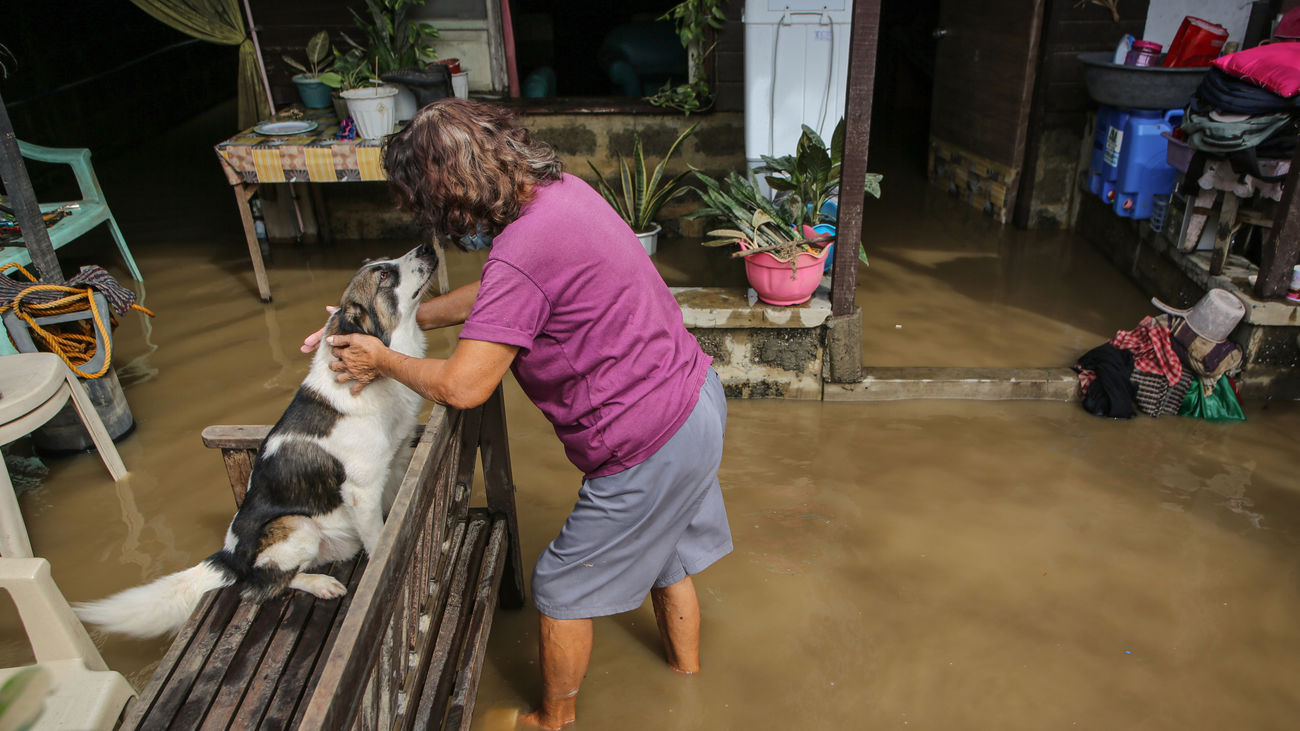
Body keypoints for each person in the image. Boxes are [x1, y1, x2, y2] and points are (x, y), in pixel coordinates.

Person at [301, 98, 731, 730]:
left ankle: (551, 722)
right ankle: (686, 684)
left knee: (560, 587)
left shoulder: (521, 250)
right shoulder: (563, 196)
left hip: (644, 444)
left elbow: (462, 386)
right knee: (667, 555)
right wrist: (404, 320)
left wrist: (379, 361)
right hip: (693, 404)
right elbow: (503, 289)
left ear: (450, 192)